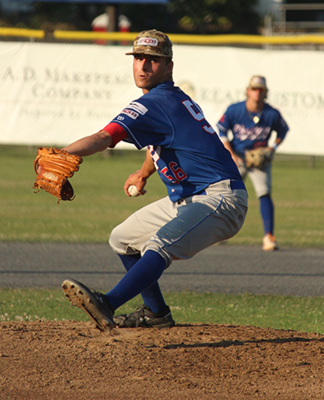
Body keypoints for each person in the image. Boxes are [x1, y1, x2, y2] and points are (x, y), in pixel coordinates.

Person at [61, 29, 248, 333]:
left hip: (220, 199)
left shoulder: (156, 102)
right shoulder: (168, 100)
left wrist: (62, 154)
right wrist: (144, 172)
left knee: (157, 245)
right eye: (138, 58)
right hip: (188, 199)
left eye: (153, 60)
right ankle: (156, 313)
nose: (143, 65)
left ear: (168, 66)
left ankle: (107, 303)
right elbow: (163, 142)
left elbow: (104, 137)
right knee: (122, 239)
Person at [216, 76, 289, 251]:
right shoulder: (235, 110)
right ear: (248, 91)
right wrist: (231, 154)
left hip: (259, 161)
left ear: (265, 93)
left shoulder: (272, 113)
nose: (257, 92)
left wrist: (272, 148)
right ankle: (217, 232)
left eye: (261, 90)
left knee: (264, 193)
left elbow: (283, 131)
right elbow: (221, 129)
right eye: (254, 89)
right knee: (225, 192)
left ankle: (269, 236)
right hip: (238, 157)